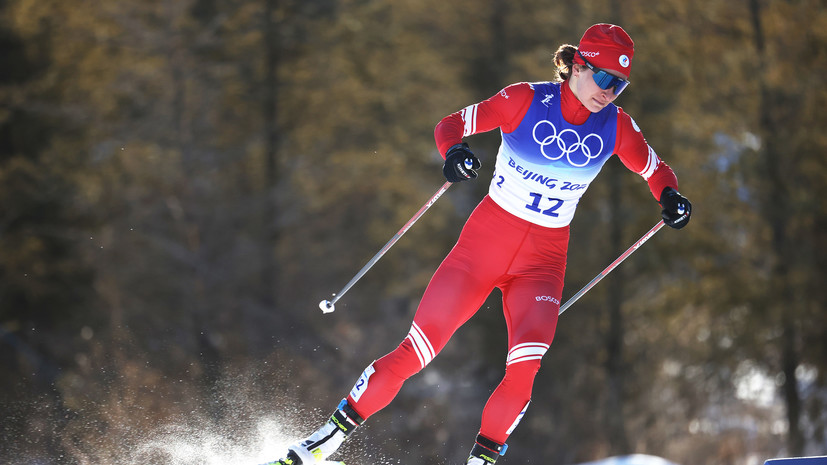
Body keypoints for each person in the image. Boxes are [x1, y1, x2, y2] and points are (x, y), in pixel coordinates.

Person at [263, 23, 691, 465]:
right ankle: (320, 445)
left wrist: (671, 198)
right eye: (603, 78)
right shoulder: (524, 99)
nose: (609, 91)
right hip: (482, 248)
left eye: (619, 85)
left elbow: (656, 171)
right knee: (416, 352)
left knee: (524, 370)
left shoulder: (617, 126)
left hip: (543, 264)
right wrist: (454, 153)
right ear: (577, 66)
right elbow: (451, 125)